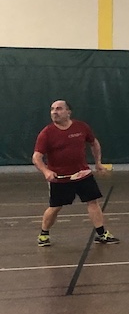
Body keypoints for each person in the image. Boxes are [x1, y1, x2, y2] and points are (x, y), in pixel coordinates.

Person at [32, 99, 120, 246]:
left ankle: (102, 234)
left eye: (59, 109)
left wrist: (98, 162)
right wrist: (46, 171)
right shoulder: (46, 133)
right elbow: (36, 157)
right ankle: (44, 234)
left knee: (93, 201)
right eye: (52, 109)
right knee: (55, 207)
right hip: (60, 178)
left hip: (83, 174)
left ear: (68, 112)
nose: (54, 112)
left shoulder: (81, 127)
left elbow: (94, 143)